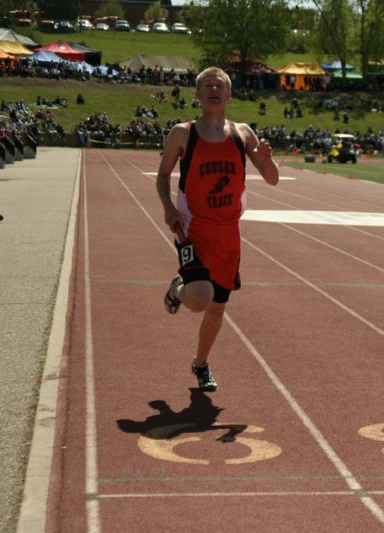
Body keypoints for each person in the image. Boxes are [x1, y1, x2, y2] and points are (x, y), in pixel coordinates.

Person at [156, 67, 279, 391]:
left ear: (229, 94)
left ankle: (200, 363)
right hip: (193, 228)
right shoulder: (183, 134)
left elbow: (272, 178)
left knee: (217, 306)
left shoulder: (242, 134)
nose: (213, 89)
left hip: (228, 234)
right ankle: (177, 290)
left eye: (219, 85)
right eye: (207, 85)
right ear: (197, 95)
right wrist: (169, 207)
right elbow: (162, 175)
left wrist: (266, 160)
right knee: (199, 298)